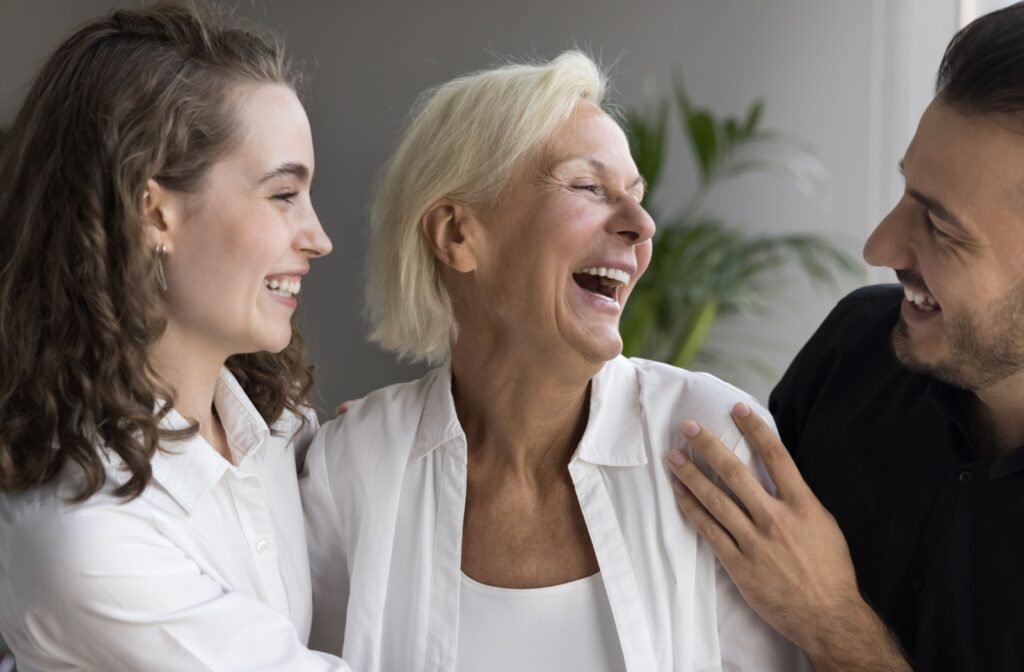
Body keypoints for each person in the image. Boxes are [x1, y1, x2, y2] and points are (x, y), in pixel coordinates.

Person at [301, 51, 807, 672]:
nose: (643, 225)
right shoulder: (350, 468)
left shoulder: (712, 441)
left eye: (636, 196)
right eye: (589, 187)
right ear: (457, 234)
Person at [667, 4, 1024, 671]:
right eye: (907, 191)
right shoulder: (859, 345)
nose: (878, 246)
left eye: (942, 228)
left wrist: (832, 623)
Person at [0, 3, 352, 670]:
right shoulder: (84, 537)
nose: (319, 238)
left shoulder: (276, 429)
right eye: (283, 195)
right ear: (156, 213)